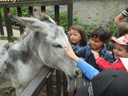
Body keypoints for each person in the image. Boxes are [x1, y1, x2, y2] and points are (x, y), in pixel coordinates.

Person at [67, 25, 87, 96]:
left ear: (81, 37)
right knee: (70, 87)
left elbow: (79, 51)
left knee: (79, 87)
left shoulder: (85, 48)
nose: (72, 36)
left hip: (81, 72)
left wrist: (69, 45)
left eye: (75, 35)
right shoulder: (69, 46)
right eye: (71, 35)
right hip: (70, 69)